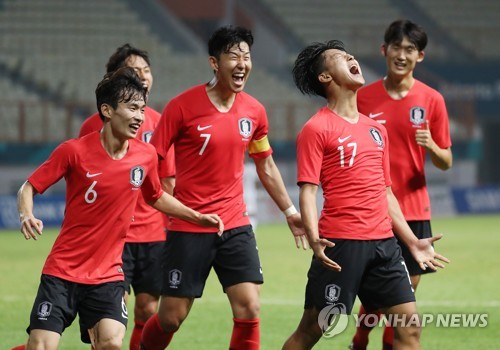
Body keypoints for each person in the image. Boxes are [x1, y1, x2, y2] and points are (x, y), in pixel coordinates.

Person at [13, 67, 222, 350]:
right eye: (132, 108)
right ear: (108, 110)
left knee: (111, 342)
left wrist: (197, 216)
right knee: (39, 347)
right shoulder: (73, 151)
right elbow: (29, 187)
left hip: (108, 275)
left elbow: (156, 196)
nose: (140, 117)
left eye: (143, 109)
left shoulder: (145, 155)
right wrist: (27, 214)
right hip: (62, 272)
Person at [140, 25, 308, 350]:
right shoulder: (181, 107)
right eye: (234, 56)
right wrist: (161, 200)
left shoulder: (254, 111)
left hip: (235, 223)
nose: (242, 63)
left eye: (247, 56)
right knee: (171, 317)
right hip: (189, 226)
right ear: (215, 63)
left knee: (249, 307)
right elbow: (152, 156)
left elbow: (265, 164)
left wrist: (289, 210)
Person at [281, 39, 449, 350]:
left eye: (350, 53)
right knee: (312, 330)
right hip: (340, 245)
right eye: (340, 57)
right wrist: (315, 237)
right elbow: (307, 190)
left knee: (409, 329)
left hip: (384, 245)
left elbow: (385, 192)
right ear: (325, 77)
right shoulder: (316, 128)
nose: (351, 56)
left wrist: (411, 241)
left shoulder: (376, 130)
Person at [349, 19, 453, 350]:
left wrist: (432, 147)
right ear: (384, 50)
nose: (402, 55)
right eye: (396, 47)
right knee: (382, 295)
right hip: (375, 211)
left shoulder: (432, 99)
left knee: (405, 292)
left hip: (414, 208)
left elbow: (446, 161)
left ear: (419, 56)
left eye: (410, 49)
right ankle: (361, 335)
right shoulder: (362, 98)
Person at [79, 44, 175, 350]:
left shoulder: (159, 122)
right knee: (110, 318)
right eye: (135, 71)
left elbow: (167, 182)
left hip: (153, 235)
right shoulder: (92, 127)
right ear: (116, 76)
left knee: (147, 310)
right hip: (112, 237)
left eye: (147, 70)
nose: (143, 77)